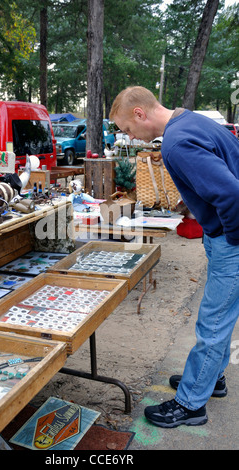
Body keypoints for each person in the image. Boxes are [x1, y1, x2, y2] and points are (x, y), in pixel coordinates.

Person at [109, 86, 239, 428]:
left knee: (212, 322)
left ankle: (191, 404)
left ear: (140, 114)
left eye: (127, 129)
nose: (131, 137)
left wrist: (231, 241)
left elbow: (231, 193)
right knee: (221, 315)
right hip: (223, 236)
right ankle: (212, 379)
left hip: (232, 241)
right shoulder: (190, 120)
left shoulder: (176, 143)